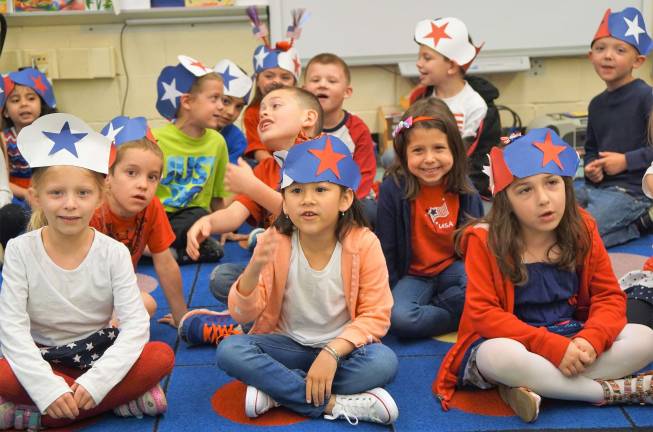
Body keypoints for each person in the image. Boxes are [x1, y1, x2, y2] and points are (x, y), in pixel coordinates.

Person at [434, 128, 653, 423]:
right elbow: (483, 314)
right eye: (525, 189)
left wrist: (590, 339)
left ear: (565, 184)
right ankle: (601, 392)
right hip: (517, 342)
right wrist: (550, 347)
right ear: (506, 199)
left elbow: (608, 296)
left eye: (551, 183)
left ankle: (536, 385)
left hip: (572, 334)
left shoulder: (583, 228)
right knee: (498, 356)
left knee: (645, 338)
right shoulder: (485, 240)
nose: (543, 199)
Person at [0, 113, 175, 430]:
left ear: (99, 197)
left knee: (160, 355)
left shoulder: (114, 253)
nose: (70, 204)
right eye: (57, 193)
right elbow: (11, 327)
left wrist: (98, 382)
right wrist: (45, 386)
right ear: (36, 196)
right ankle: (115, 401)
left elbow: (135, 327)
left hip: (97, 353)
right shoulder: (19, 250)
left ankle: (42, 415)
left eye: (83, 193)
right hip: (42, 357)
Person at [216, 134, 399, 425]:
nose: (308, 200)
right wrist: (250, 274)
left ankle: (278, 391)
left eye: (321, 189)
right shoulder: (276, 240)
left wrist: (331, 352)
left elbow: (376, 315)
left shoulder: (364, 243)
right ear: (285, 204)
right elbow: (242, 314)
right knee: (229, 351)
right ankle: (332, 403)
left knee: (384, 362)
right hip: (287, 346)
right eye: (297, 191)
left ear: (345, 199)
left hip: (342, 351)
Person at [185, 87, 322, 306]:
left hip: (320, 273)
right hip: (280, 270)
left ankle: (253, 323)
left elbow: (307, 216)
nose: (265, 113)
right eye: (262, 112)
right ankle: (265, 317)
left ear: (308, 117)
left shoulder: (323, 160)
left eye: (275, 106)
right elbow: (234, 213)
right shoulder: (265, 168)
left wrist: (252, 186)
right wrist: (208, 221)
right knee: (222, 278)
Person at [376, 98, 483, 338]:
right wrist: (391, 292)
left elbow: (477, 247)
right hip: (413, 276)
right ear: (403, 154)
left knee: (482, 291)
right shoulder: (392, 190)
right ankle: (463, 315)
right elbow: (387, 249)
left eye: (439, 148)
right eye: (418, 151)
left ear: (454, 149)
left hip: (452, 268)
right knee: (401, 318)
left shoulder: (465, 188)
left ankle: (450, 307)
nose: (429, 159)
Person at [90, 116, 187, 327]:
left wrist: (182, 319)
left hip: (113, 295)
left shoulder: (151, 207)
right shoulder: (90, 210)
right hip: (76, 297)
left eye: (152, 177)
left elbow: (166, 263)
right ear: (107, 176)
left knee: (147, 304)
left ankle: (100, 338)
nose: (143, 185)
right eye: (131, 173)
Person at [575, 7, 653, 247]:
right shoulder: (596, 104)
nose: (608, 56)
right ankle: (637, 226)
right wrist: (590, 167)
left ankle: (640, 218)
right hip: (596, 188)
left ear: (637, 61)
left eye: (619, 50)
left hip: (632, 193)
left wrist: (625, 161)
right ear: (591, 56)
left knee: (581, 233)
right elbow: (591, 148)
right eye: (600, 49)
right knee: (554, 211)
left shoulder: (646, 97)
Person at [154, 55, 229, 264]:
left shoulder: (217, 142)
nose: (222, 106)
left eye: (223, 100)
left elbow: (217, 195)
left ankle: (161, 249)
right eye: (214, 99)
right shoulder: (155, 139)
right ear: (187, 101)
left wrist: (224, 225)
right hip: (157, 216)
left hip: (191, 218)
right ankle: (164, 247)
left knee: (202, 221)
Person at [303, 52, 378, 225]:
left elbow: (365, 174)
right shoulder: (298, 128)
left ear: (347, 91)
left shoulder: (357, 129)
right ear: (304, 89)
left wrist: (340, 204)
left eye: (332, 81)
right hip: (309, 199)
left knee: (370, 211)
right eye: (315, 80)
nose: (322, 85)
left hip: (349, 200)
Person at [241, 6, 307, 162]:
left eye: (285, 77)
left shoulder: (303, 110)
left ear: (295, 83)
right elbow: (258, 151)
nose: (277, 81)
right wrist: (278, 172)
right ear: (257, 81)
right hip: (270, 168)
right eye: (269, 76)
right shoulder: (253, 113)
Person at [1, 67, 57, 204]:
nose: (24, 104)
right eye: (15, 100)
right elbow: (4, 181)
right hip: (16, 194)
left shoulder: (53, 136)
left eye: (31, 98)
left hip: (47, 190)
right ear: (5, 112)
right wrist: (25, 194)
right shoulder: (5, 139)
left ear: (41, 105)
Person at [213, 59, 253, 164]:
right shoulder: (185, 128)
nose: (231, 112)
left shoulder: (237, 141)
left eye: (239, 106)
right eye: (226, 101)